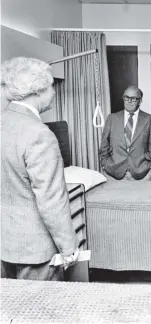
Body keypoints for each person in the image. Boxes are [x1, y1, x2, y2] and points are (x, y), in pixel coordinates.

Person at [1, 57, 79, 280]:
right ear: (37, 90)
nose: (54, 93)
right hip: (34, 249)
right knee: (41, 311)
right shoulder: (40, 134)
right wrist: (69, 247)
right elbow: (51, 200)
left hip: (4, 243)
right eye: (51, 86)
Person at [100, 86, 151, 181]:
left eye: (133, 98)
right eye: (126, 97)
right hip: (113, 173)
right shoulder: (112, 118)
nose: (129, 101)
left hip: (142, 174)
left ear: (140, 101)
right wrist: (104, 165)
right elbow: (104, 144)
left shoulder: (149, 119)